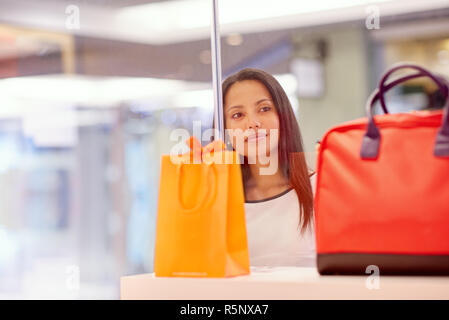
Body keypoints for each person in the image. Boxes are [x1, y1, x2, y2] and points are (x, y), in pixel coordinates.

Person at [189, 68, 316, 267]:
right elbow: (197, 268)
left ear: (283, 117)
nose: (253, 123)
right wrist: (202, 186)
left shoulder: (320, 188)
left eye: (264, 109)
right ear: (225, 131)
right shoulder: (220, 198)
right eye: (238, 115)